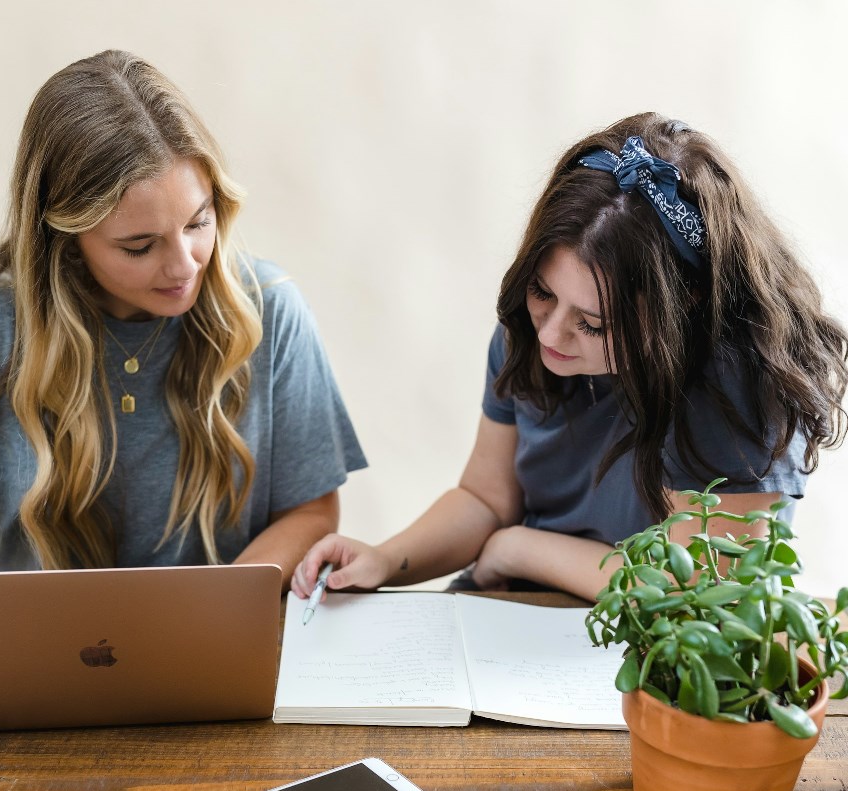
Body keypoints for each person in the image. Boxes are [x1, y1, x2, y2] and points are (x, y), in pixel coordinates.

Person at [292, 112, 848, 603]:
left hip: (649, 655)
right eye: (542, 292)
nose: (552, 334)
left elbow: (701, 594)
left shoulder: (737, 380)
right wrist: (386, 560)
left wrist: (518, 548)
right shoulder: (526, 336)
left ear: (683, 306)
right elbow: (485, 497)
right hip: (519, 613)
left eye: (593, 323)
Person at [0, 50, 366, 587]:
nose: (186, 265)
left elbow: (312, 511)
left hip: (220, 644)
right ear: (64, 241)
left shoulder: (270, 311)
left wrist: (220, 609)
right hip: (41, 657)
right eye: (140, 245)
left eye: (198, 222)